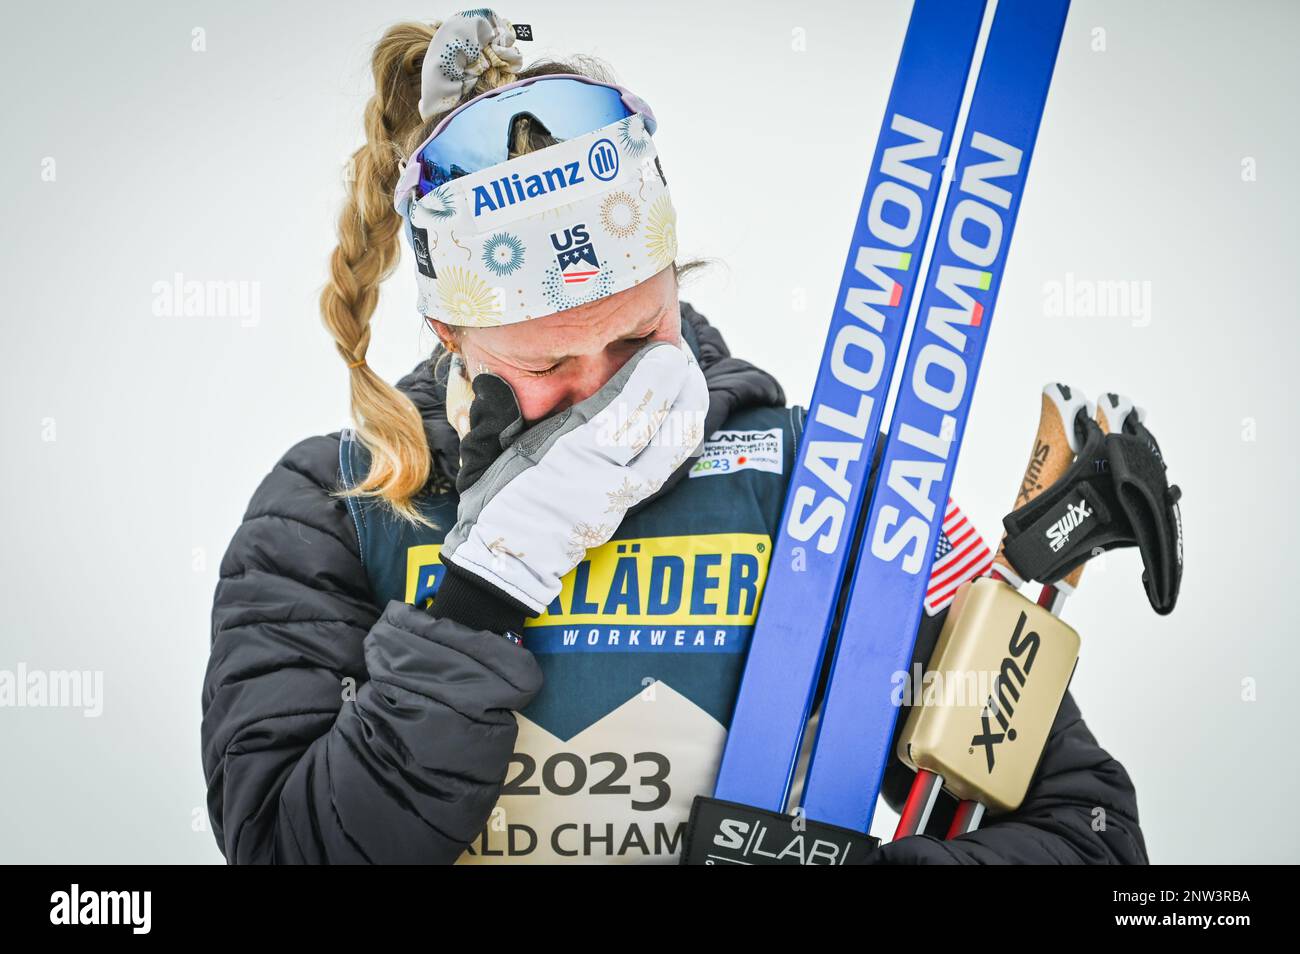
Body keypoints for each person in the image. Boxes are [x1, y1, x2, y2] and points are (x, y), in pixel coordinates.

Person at [200, 9, 1148, 864]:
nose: (608, 393)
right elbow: (288, 849)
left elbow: (1088, 837)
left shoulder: (819, 483)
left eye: (635, 336)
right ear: (451, 335)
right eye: (548, 366)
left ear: (672, 283)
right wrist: (486, 585)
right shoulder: (333, 508)